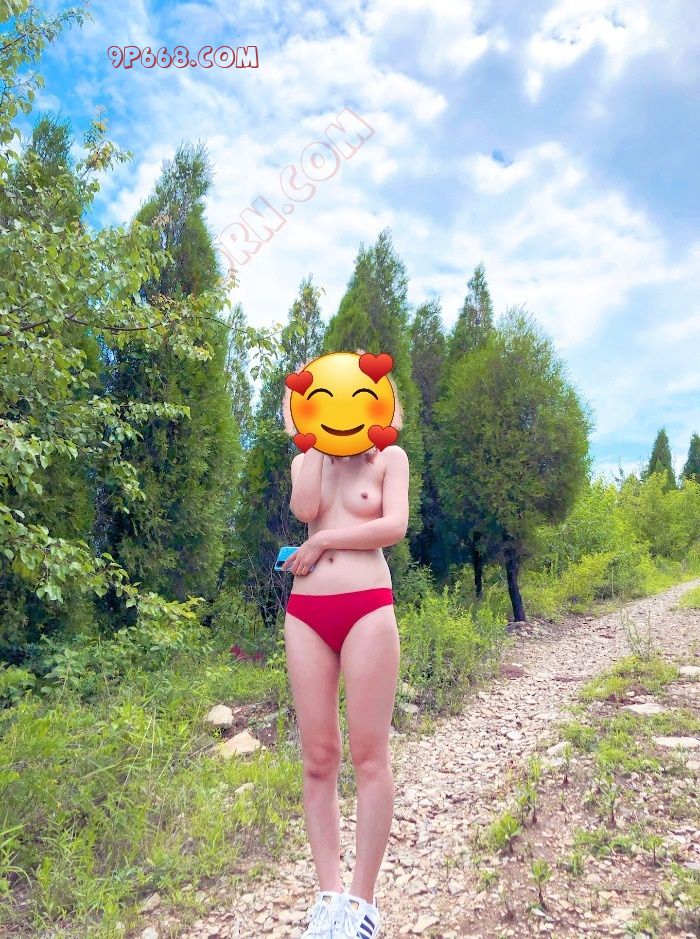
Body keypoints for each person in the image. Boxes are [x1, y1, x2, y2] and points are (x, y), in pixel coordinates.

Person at [280, 365, 410, 939]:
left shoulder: (389, 459)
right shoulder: (305, 462)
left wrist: (328, 540)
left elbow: (394, 526)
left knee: (369, 755)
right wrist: (313, 440)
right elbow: (305, 509)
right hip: (306, 615)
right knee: (318, 757)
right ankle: (328, 898)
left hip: (367, 609)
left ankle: (363, 903)